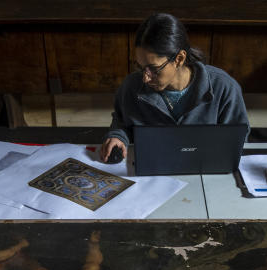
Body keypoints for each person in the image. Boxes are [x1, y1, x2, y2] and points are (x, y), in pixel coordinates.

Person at [100, 13, 250, 163]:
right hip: (153, 170)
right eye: (140, 67)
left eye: (153, 69)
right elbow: (121, 122)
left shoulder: (223, 87)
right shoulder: (131, 87)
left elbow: (238, 138)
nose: (145, 78)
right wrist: (117, 136)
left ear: (179, 59)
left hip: (205, 171)